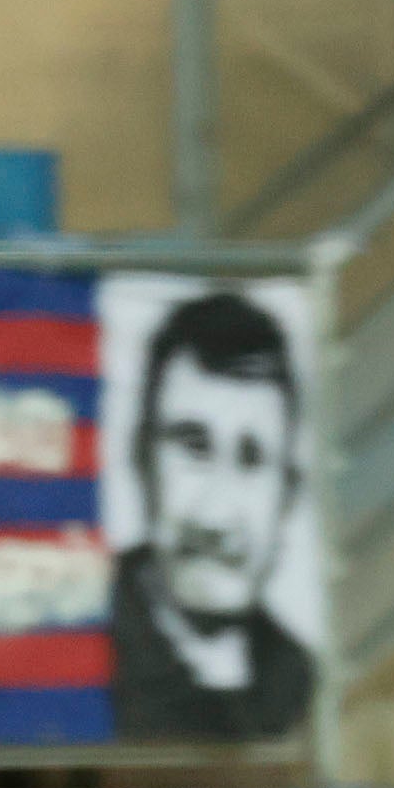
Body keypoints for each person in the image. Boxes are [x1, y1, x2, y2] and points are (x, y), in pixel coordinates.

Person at [108, 288, 315, 742]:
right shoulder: (76, 648)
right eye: (194, 448)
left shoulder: (298, 679)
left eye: (252, 459)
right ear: (142, 461)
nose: (218, 512)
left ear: (288, 495)